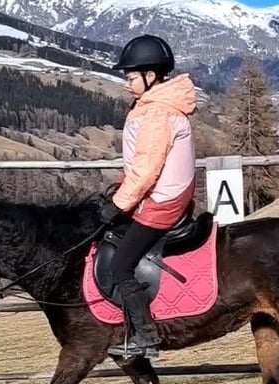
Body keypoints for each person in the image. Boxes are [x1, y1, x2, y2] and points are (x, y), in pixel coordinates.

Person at [99, 34, 198, 359]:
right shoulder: (154, 105)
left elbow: (146, 170)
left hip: (161, 203)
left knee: (122, 265)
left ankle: (146, 336)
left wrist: (118, 205)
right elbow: (136, 165)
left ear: (151, 76)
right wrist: (119, 191)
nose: (127, 83)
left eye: (130, 77)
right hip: (157, 196)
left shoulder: (158, 114)